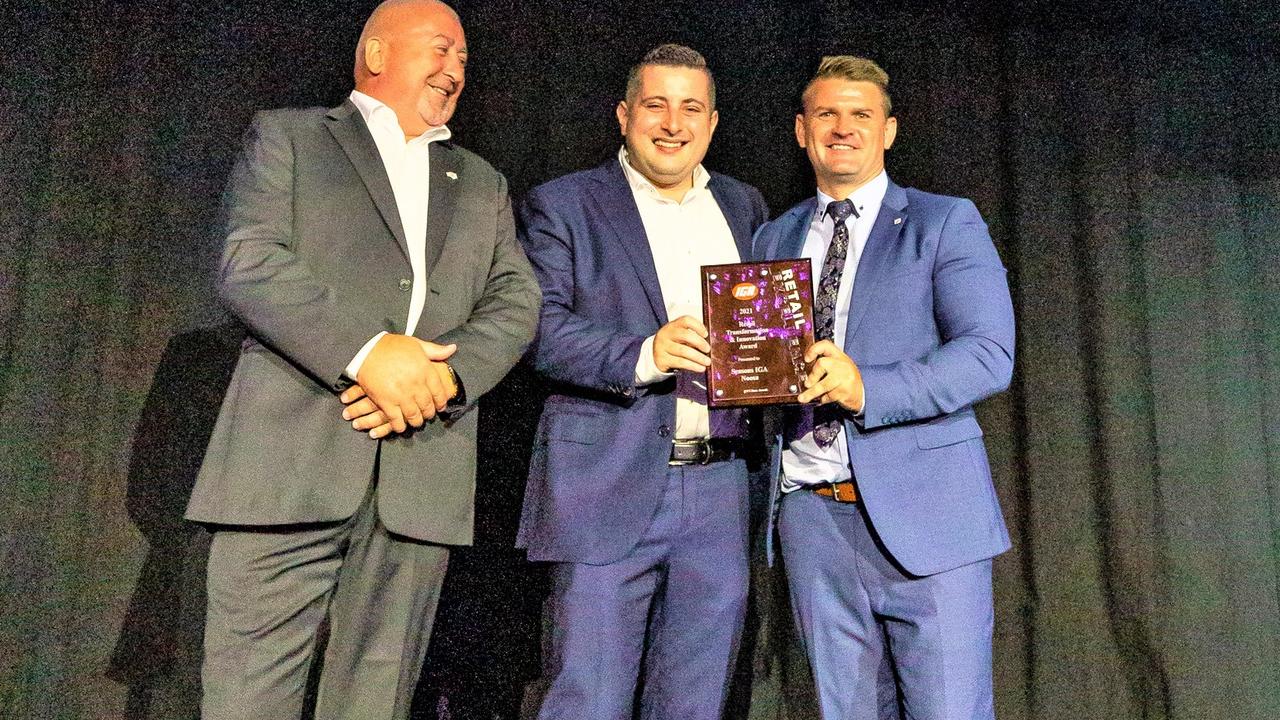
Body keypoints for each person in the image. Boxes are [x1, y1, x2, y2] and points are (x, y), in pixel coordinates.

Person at [183, 1, 540, 718]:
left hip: (419, 482)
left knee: (375, 704)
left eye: (465, 61)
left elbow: (517, 301)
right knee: (246, 700)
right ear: (377, 53)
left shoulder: (481, 181)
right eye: (441, 50)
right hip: (286, 473)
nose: (455, 71)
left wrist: (438, 378)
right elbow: (247, 261)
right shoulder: (289, 137)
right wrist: (370, 353)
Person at [753, 56, 1016, 719]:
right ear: (801, 129)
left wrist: (866, 386)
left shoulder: (943, 222)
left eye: (861, 115)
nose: (843, 128)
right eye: (827, 114)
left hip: (930, 520)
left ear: (889, 131)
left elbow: (988, 355)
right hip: (812, 519)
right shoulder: (771, 236)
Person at [515, 44, 769, 720]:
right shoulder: (563, 204)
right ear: (625, 114)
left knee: (695, 703)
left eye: (691, 108)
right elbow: (539, 331)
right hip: (606, 483)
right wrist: (645, 354)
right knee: (587, 699)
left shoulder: (744, 207)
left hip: (720, 490)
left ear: (712, 124)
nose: (673, 122)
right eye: (656, 104)